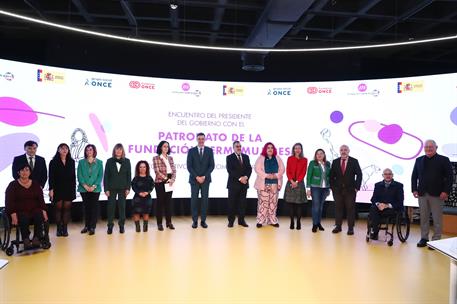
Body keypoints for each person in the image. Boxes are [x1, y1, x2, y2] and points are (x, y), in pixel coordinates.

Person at [411, 139, 453, 248]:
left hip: (438, 194)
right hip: (422, 193)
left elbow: (450, 178)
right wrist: (414, 189)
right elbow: (414, 176)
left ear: (436, 147)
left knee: (437, 218)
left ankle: (436, 241)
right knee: (423, 218)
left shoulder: (444, 160)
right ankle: (424, 238)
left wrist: (446, 191)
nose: (428, 149)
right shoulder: (419, 160)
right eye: (426, 147)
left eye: (431, 147)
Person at [5, 164, 48, 249]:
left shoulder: (35, 184)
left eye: (27, 170)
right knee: (23, 216)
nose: (25, 172)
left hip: (34, 209)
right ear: (18, 172)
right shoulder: (13, 185)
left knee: (39, 214)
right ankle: (26, 239)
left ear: (30, 172)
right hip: (20, 210)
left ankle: (37, 238)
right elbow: (9, 202)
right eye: (22, 170)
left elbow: (41, 199)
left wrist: (44, 210)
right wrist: (12, 214)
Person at [329, 145, 362, 235]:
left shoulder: (354, 161)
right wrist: (332, 187)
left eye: (345, 150)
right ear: (339, 151)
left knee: (350, 209)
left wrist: (356, 187)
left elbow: (359, 174)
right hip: (337, 190)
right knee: (338, 208)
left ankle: (350, 228)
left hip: (350, 190)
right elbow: (331, 176)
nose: (343, 151)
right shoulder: (335, 162)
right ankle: (338, 226)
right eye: (341, 150)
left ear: (348, 151)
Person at [186, 133, 215, 229]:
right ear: (196, 139)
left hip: (206, 180)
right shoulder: (191, 151)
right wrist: (197, 177)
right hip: (194, 180)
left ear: (205, 139)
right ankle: (194, 221)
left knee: (204, 201)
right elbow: (189, 166)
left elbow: (212, 166)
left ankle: (203, 221)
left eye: (202, 139)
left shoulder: (209, 151)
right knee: (194, 200)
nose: (201, 140)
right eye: (199, 139)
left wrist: (204, 176)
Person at [254, 142, 285, 228]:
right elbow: (257, 169)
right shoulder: (261, 158)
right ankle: (260, 221)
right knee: (263, 203)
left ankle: (272, 220)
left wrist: (275, 175)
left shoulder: (277, 158)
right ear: (265, 149)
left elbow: (282, 169)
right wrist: (267, 175)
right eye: (268, 148)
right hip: (263, 184)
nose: (270, 149)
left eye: (271, 148)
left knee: (273, 203)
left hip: (274, 184)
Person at [48, 143, 76, 237]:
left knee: (67, 209)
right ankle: (59, 228)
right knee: (58, 209)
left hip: (69, 188)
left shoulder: (71, 161)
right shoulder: (53, 162)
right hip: (57, 188)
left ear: (68, 150)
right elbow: (51, 177)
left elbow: (73, 177)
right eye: (62, 148)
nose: (64, 150)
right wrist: (51, 189)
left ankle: (65, 228)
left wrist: (73, 189)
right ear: (58, 150)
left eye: (66, 148)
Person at [369, 168, 404, 240]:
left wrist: (387, 205)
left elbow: (400, 201)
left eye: (389, 174)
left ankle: (375, 231)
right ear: (383, 175)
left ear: (392, 175)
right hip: (380, 207)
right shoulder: (378, 185)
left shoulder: (399, 186)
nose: (387, 176)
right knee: (373, 208)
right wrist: (378, 204)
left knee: (377, 210)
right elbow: (373, 198)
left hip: (392, 208)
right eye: (386, 174)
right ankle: (375, 231)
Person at [104, 143, 131, 234]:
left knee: (122, 207)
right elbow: (106, 176)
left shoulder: (127, 161)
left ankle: (121, 225)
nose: (118, 151)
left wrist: (128, 188)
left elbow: (129, 176)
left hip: (123, 188)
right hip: (111, 188)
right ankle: (110, 226)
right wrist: (106, 189)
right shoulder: (109, 161)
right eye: (117, 149)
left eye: (120, 149)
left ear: (122, 151)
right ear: (114, 151)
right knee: (111, 207)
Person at [78, 144, 103, 235]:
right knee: (86, 207)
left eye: (91, 150)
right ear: (85, 152)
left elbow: (100, 176)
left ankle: (92, 227)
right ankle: (86, 226)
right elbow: (79, 175)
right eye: (87, 150)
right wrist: (85, 185)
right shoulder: (81, 162)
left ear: (94, 151)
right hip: (83, 189)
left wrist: (94, 186)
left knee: (94, 208)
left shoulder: (99, 162)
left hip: (95, 189)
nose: (89, 151)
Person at [226, 141, 252, 228]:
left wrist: (246, 177)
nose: (239, 148)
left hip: (244, 184)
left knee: (242, 204)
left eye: (240, 146)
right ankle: (231, 221)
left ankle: (241, 221)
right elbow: (230, 170)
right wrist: (240, 178)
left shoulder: (246, 157)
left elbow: (249, 169)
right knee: (231, 204)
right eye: (237, 146)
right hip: (233, 184)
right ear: (233, 148)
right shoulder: (229, 157)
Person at [153, 141, 177, 231]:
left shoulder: (170, 158)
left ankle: (169, 222)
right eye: (164, 146)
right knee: (160, 203)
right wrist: (167, 179)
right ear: (160, 148)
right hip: (160, 182)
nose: (166, 148)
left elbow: (174, 170)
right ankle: (159, 223)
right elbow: (157, 172)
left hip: (170, 181)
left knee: (168, 203)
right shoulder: (156, 158)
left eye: (167, 146)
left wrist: (172, 179)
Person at [306, 149, 331, 233]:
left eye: (321, 153)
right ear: (315, 155)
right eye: (317, 154)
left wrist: (329, 188)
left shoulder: (328, 164)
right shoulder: (312, 163)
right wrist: (308, 188)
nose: (319, 155)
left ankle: (319, 223)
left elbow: (329, 176)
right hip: (315, 187)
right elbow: (309, 175)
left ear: (324, 155)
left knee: (320, 207)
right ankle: (314, 224)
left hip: (325, 188)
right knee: (316, 206)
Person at [284, 143, 308, 230]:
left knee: (299, 205)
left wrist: (297, 182)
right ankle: (291, 222)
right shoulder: (290, 158)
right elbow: (288, 171)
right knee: (291, 204)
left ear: (301, 150)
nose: (297, 150)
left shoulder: (305, 160)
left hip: (299, 183)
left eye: (299, 148)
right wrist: (292, 181)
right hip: (290, 182)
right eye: (296, 148)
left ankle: (298, 221)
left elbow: (303, 172)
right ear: (293, 149)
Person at [131, 161, 154, 232]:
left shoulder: (149, 178)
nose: (142, 168)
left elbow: (152, 186)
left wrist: (147, 192)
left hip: (147, 198)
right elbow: (133, 187)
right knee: (136, 213)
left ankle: (145, 227)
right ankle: (137, 227)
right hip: (137, 198)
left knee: (146, 212)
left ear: (147, 168)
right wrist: (139, 193)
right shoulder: (135, 178)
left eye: (144, 167)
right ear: (138, 168)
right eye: (140, 167)